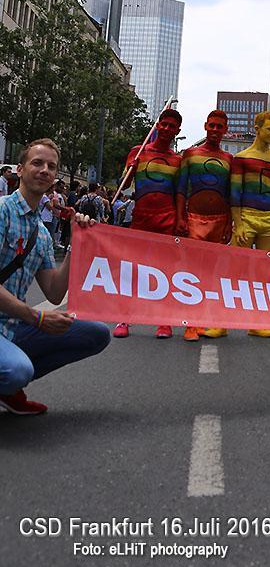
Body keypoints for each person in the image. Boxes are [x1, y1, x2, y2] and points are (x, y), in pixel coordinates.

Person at [0, 138, 110, 415]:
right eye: (37, 163)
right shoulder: (2, 211)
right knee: (17, 369)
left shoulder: (42, 232)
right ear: (21, 169)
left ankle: (7, 390)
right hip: (20, 321)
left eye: (51, 166)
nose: (45, 170)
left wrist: (77, 242)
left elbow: (54, 292)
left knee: (96, 334)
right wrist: (35, 317)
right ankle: (9, 383)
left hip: (13, 327)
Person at [113, 108, 183, 340]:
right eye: (163, 124)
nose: (166, 129)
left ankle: (164, 321)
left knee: (165, 271)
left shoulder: (177, 160)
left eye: (171, 126)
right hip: (140, 217)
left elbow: (179, 193)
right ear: (157, 125)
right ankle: (125, 316)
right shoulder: (138, 151)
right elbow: (123, 185)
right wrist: (130, 167)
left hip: (167, 218)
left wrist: (180, 220)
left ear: (177, 131)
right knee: (134, 268)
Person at [230, 111, 270, 339]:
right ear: (257, 128)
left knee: (262, 275)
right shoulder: (241, 157)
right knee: (236, 272)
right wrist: (238, 224)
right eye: (269, 129)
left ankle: (256, 322)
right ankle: (224, 322)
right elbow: (235, 193)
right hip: (247, 216)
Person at [176, 110, 233, 341]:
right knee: (192, 273)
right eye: (212, 126)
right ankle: (191, 323)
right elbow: (181, 189)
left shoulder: (229, 159)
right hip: (194, 219)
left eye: (220, 127)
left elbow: (230, 194)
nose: (216, 130)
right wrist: (180, 217)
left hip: (219, 221)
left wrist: (229, 222)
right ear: (205, 126)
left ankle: (211, 320)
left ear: (225, 130)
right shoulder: (190, 154)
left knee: (214, 274)